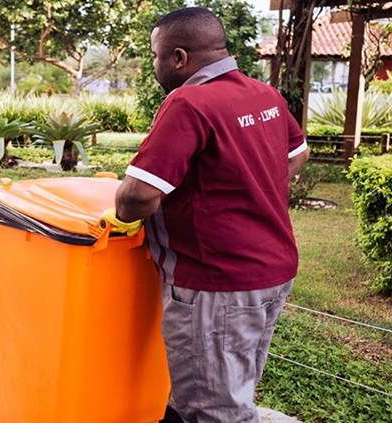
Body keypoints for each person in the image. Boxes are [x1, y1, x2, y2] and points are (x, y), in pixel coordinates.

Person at [101, 7, 310, 423]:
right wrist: (245, 189)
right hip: (272, 272)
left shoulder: (189, 103)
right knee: (230, 387)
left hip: (216, 283)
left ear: (179, 58)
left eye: (156, 55)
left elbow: (140, 195)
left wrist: (121, 215)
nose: (154, 65)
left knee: (216, 411)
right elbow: (298, 153)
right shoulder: (262, 93)